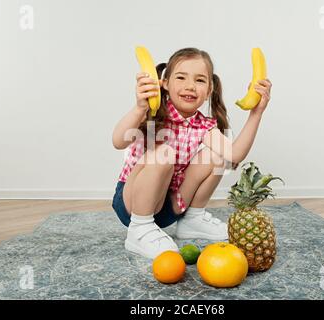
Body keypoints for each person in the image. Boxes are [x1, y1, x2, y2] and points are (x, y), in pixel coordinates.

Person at [111, 47, 272, 259]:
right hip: (132, 203)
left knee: (216, 156)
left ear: (209, 90)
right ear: (165, 83)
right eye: (181, 77)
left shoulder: (203, 126)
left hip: (170, 206)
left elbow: (235, 155)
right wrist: (139, 108)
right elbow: (118, 141)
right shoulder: (151, 110)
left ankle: (192, 219)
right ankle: (139, 229)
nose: (190, 86)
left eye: (200, 80)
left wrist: (256, 113)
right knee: (164, 151)